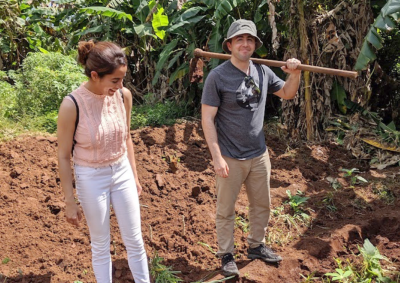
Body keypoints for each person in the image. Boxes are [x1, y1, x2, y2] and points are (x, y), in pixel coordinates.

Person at [201, 19, 301, 277]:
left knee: (262, 205)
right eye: (239, 40)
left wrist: (295, 73)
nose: (245, 44)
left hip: (259, 154)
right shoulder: (218, 76)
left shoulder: (263, 72)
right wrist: (217, 157)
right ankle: (226, 254)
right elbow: (207, 119)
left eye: (249, 40)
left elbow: (288, 94)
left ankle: (256, 246)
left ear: (255, 45)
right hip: (230, 156)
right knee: (226, 210)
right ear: (230, 44)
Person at [57, 40, 150, 283]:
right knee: (100, 244)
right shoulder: (72, 105)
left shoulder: (123, 96)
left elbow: (127, 138)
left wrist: (134, 176)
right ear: (96, 75)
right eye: (115, 81)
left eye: (123, 79)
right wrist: (70, 201)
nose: (121, 86)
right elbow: (64, 156)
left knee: (135, 239)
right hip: (90, 177)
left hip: (122, 172)